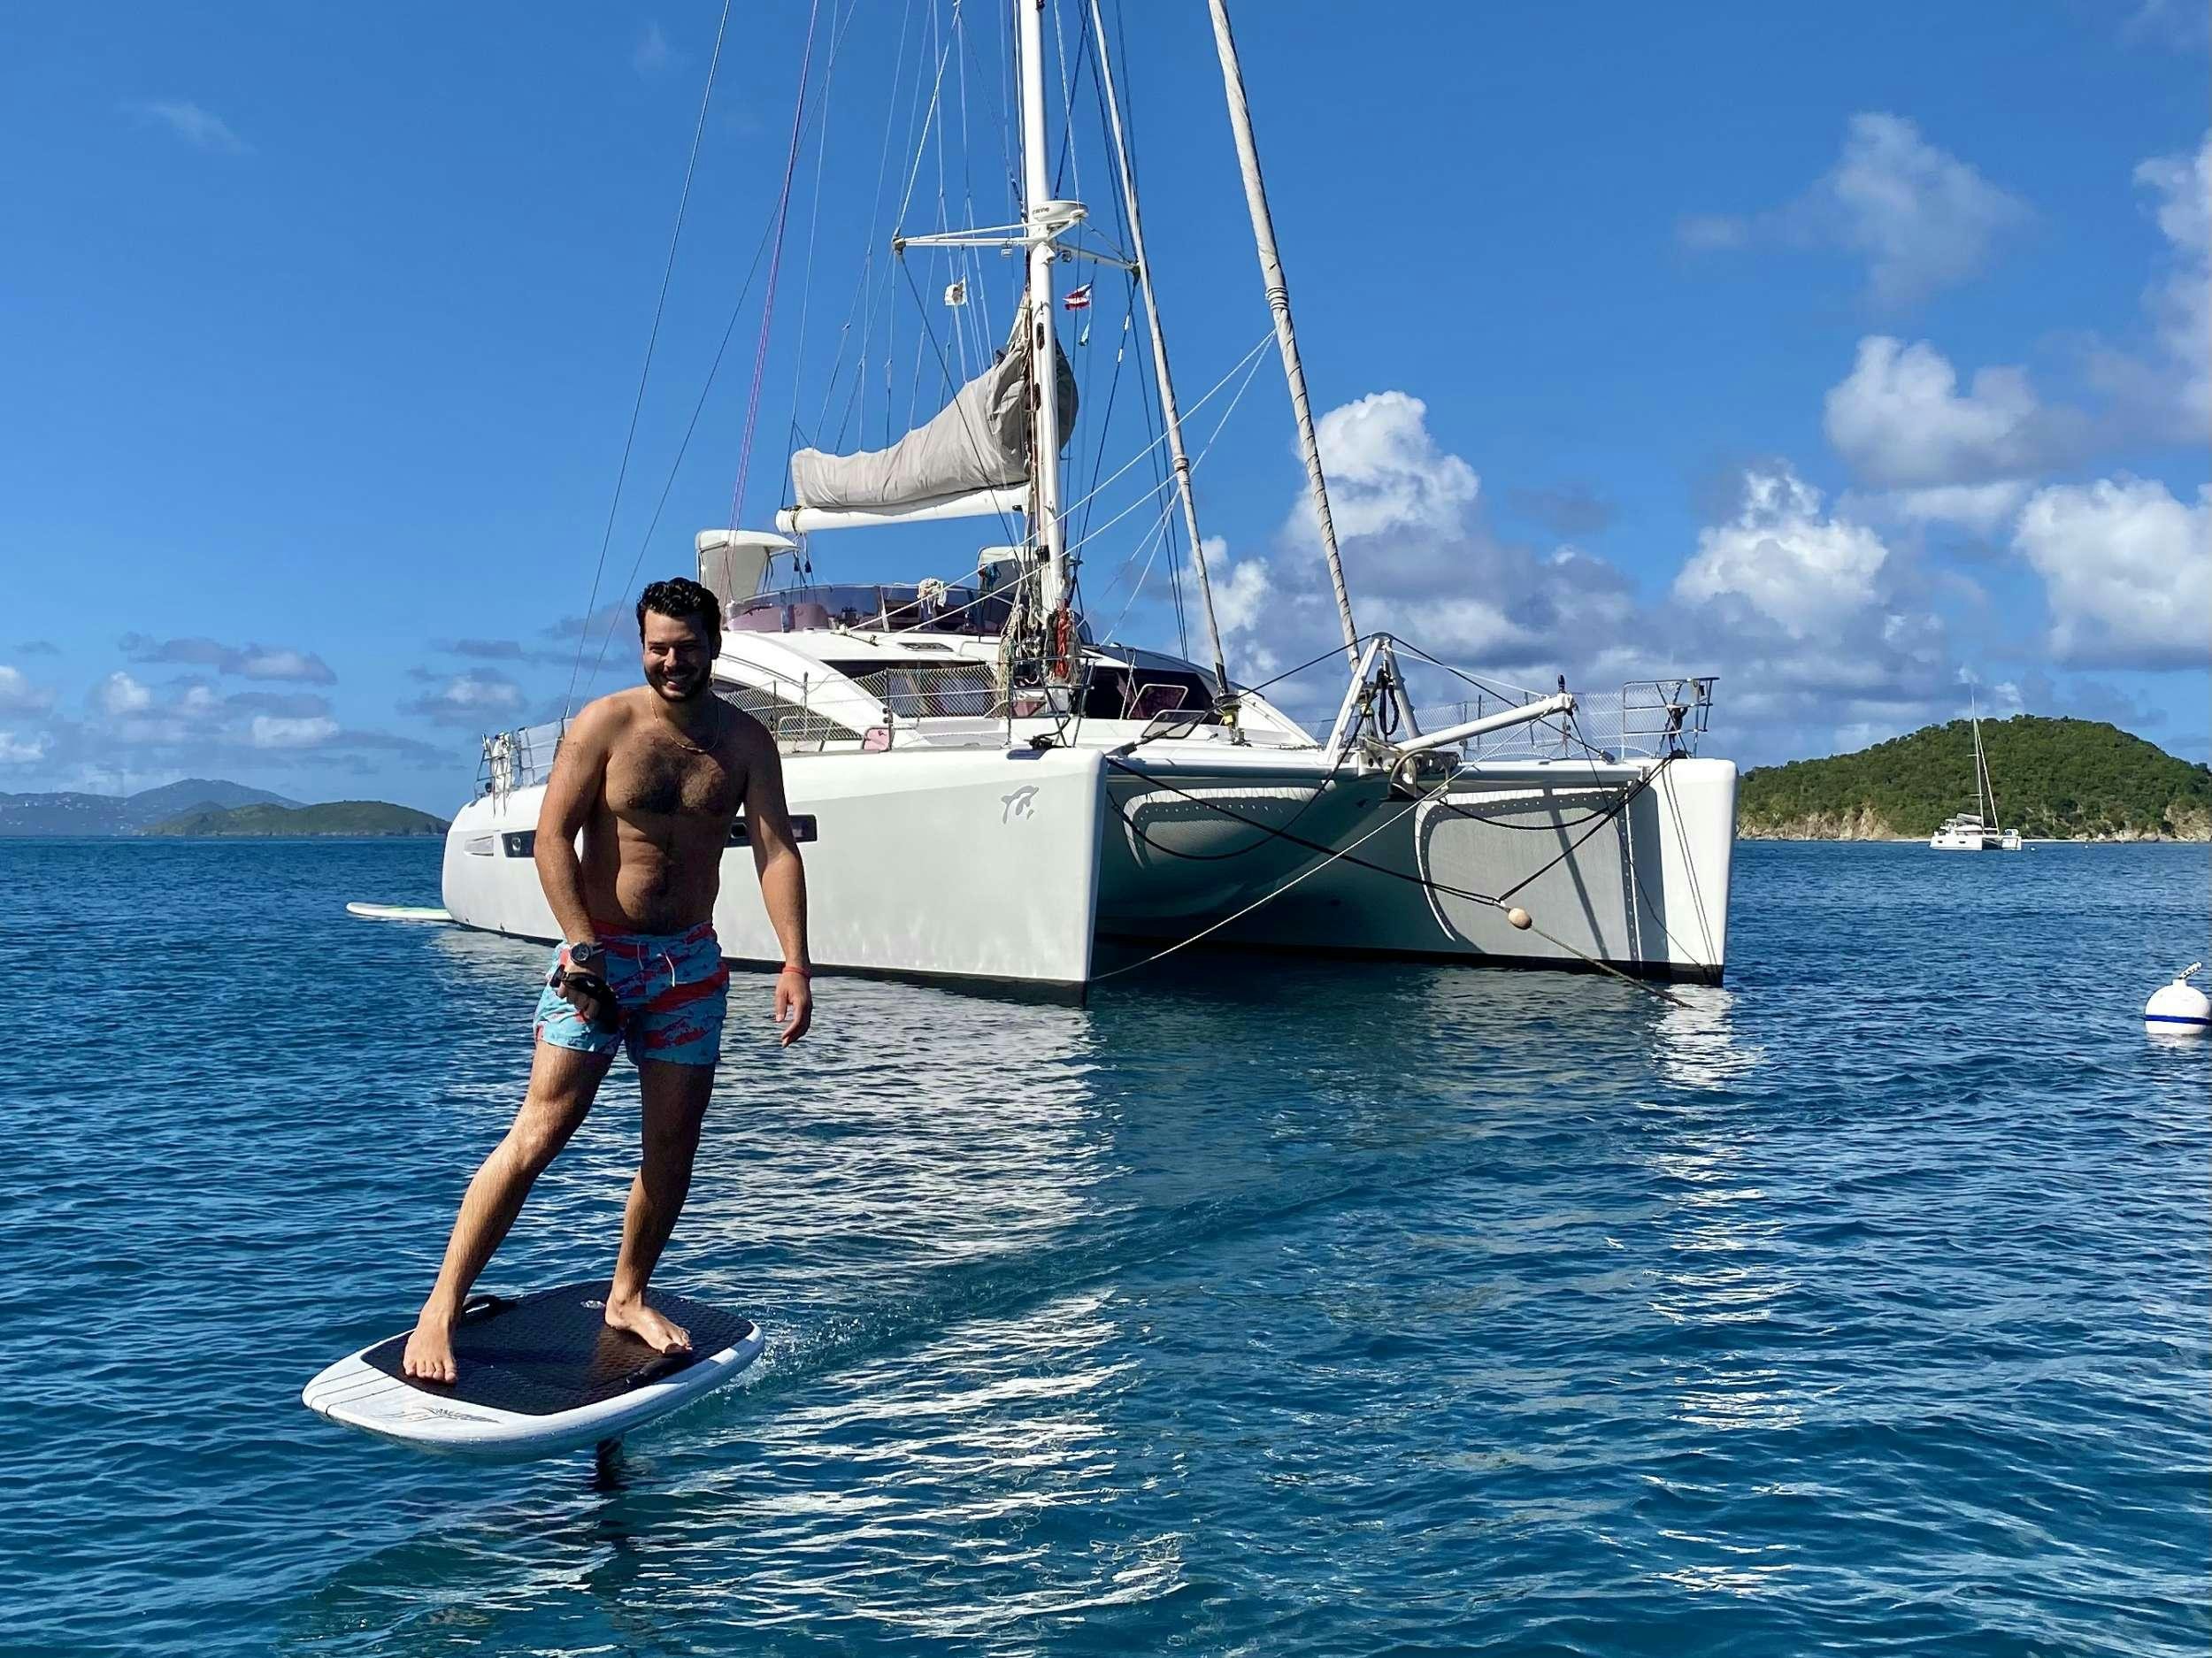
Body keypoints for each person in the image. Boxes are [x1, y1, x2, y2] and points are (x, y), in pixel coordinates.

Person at [402, 576, 812, 1383]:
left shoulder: (744, 742)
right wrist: (583, 949)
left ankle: (628, 1295)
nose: (672, 662)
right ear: (642, 646)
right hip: (601, 958)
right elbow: (553, 839)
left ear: (715, 647)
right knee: (541, 1132)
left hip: (690, 964)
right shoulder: (605, 725)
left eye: (687, 649)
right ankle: (441, 1306)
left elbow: (774, 850)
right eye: (658, 647)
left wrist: (795, 958)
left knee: (673, 1144)